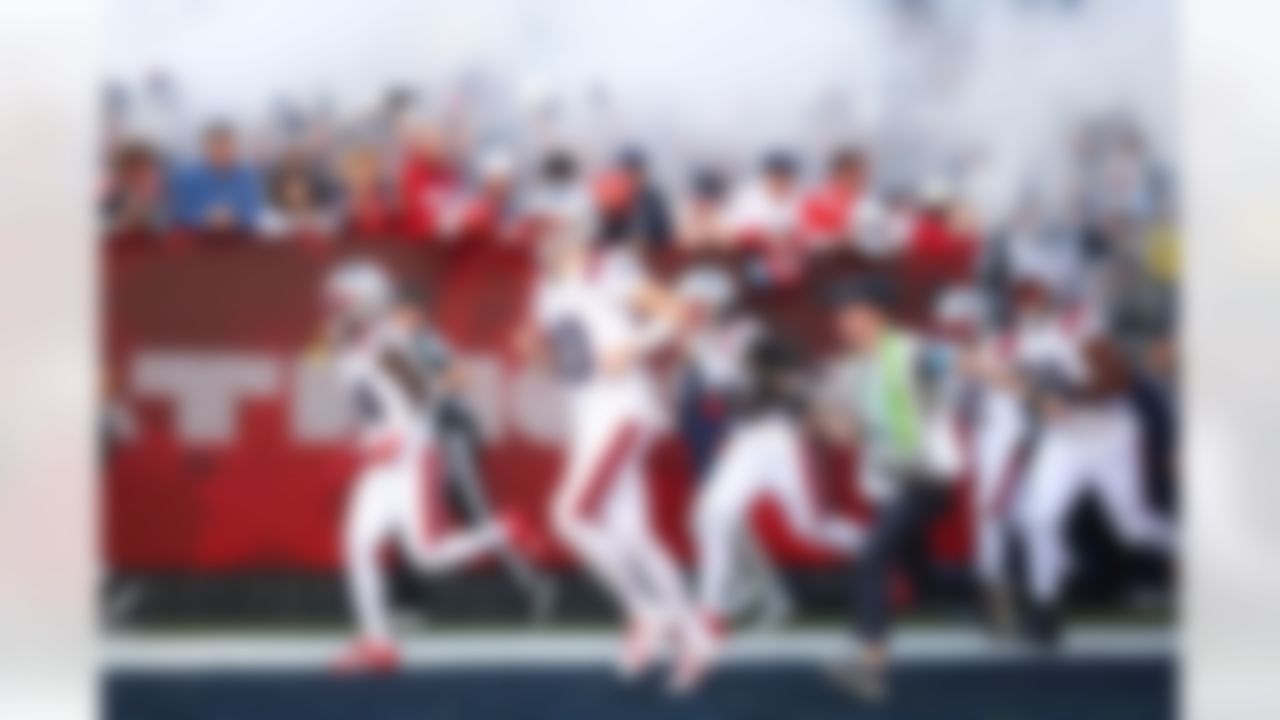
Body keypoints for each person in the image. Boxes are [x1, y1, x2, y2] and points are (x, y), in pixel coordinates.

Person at [517, 210, 706, 692]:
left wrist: (636, 344)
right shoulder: (547, 290)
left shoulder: (607, 267)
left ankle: (648, 613)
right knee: (635, 535)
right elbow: (571, 363)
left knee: (571, 516)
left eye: (552, 228)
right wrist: (538, 355)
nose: (544, 236)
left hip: (622, 408)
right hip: (590, 415)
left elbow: (679, 311)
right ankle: (693, 636)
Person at [324, 260, 531, 673]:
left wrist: (396, 435)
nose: (333, 306)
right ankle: (377, 641)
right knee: (357, 544)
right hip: (380, 457)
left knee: (427, 556)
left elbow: (420, 397)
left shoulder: (386, 341)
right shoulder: (345, 338)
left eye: (341, 299)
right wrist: (371, 436)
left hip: (410, 455)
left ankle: (502, 530)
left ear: (365, 302)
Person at [684, 317, 866, 690]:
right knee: (712, 515)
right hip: (747, 442)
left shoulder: (749, 338)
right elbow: (725, 384)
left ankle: (878, 548)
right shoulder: (707, 347)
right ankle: (712, 614)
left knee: (813, 527)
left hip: (785, 440)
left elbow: (775, 366)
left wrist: (769, 371)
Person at [995, 280, 1175, 645]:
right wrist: (1034, 398)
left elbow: (1117, 376)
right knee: (1039, 518)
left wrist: (1071, 397)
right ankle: (1045, 612)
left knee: (1134, 527)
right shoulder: (1010, 341)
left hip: (1110, 436)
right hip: (1065, 440)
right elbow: (1012, 383)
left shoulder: (1076, 322)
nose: (1027, 302)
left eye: (1034, 294)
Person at [818, 278, 961, 702]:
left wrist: (1030, 391)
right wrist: (821, 419)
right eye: (840, 315)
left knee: (871, 559)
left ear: (876, 316)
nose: (841, 322)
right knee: (908, 562)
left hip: (926, 474)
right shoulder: (849, 369)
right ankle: (946, 597)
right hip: (889, 481)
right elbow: (844, 431)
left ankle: (869, 666)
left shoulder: (911, 350)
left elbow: (962, 365)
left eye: (850, 313)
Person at [392, 286, 557, 622]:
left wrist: (424, 391)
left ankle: (531, 585)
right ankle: (412, 601)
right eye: (395, 311)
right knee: (414, 519)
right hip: (422, 442)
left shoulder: (425, 342)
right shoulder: (399, 344)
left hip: (450, 435)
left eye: (402, 311)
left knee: (474, 512)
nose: (396, 317)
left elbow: (459, 377)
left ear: (416, 313)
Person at [673, 267, 793, 631]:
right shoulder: (706, 332)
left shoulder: (741, 332)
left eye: (695, 303)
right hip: (709, 426)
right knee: (723, 519)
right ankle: (761, 591)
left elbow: (744, 385)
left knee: (714, 516)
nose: (688, 309)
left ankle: (751, 592)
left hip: (735, 429)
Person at [168, 122, 264, 234]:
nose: (223, 151)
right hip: (197, 238)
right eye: (217, 146)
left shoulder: (247, 176)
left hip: (238, 237)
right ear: (206, 148)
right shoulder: (187, 177)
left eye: (227, 145)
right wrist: (204, 219)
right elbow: (178, 212)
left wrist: (234, 218)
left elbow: (253, 210)